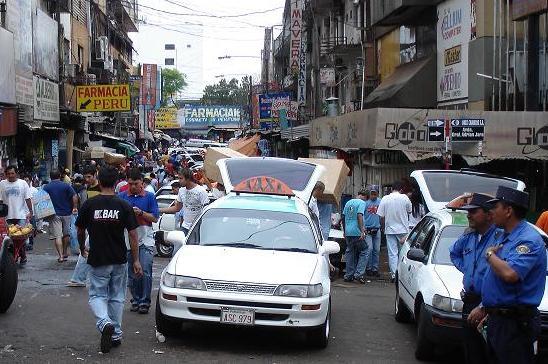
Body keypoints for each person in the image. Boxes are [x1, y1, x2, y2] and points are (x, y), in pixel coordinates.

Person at [467, 186, 546, 364]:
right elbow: (496, 281)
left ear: (509, 210)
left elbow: (510, 274)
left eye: (495, 207)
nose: (491, 211)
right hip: (499, 319)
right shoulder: (504, 236)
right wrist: (486, 308)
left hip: (515, 323)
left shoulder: (528, 240)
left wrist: (489, 255)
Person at [75, 165, 142, 353]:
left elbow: (79, 230)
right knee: (117, 298)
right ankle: (116, 333)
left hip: (98, 258)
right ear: (116, 182)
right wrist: (136, 260)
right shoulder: (123, 205)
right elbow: (133, 234)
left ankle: (105, 323)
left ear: (99, 180)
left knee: (97, 295)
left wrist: (82, 247)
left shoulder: (90, 204)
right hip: (119, 258)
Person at [449, 193, 501, 364]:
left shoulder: (499, 237)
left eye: (474, 211)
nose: (468, 215)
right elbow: (454, 252)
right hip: (469, 303)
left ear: (488, 215)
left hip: (488, 305)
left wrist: (483, 306)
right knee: (471, 352)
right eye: (468, 211)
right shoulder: (469, 236)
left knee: (489, 353)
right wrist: (469, 270)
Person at [119, 169, 159, 314]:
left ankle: (144, 301)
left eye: (136, 184)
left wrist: (141, 213)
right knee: (131, 273)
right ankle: (135, 299)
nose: (133, 187)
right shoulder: (122, 197)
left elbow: (154, 218)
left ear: (142, 183)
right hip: (128, 238)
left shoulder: (149, 197)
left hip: (145, 238)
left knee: (145, 270)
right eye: (130, 184)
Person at [377, 180, 412, 282]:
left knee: (392, 253)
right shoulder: (405, 198)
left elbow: (381, 216)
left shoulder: (385, 198)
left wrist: (383, 227)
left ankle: (394, 275)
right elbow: (409, 211)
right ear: (401, 189)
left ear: (392, 189)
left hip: (390, 229)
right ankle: (402, 275)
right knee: (403, 253)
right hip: (403, 230)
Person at [0, 166, 33, 265]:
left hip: (21, 215)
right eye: (8, 174)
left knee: (20, 238)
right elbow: (0, 200)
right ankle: (11, 257)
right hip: (7, 216)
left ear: (16, 174)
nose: (10, 175)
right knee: (8, 239)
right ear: (6, 174)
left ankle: (22, 255)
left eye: (12, 173)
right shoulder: (2, 184)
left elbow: (28, 199)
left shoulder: (23, 183)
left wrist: (30, 211)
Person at [160, 168, 209, 235]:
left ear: (188, 179)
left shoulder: (201, 191)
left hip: (197, 228)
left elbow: (206, 210)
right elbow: (177, 208)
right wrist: (159, 210)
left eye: (181, 178)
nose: (179, 181)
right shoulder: (181, 190)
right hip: (185, 227)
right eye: (178, 178)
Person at [43, 170, 78, 262]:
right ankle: (65, 252)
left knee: (57, 235)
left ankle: (61, 256)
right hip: (67, 213)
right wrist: (74, 207)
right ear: (60, 176)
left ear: (50, 177)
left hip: (54, 214)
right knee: (66, 234)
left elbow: (41, 200)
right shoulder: (66, 185)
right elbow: (74, 196)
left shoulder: (46, 187)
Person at [341, 190, 368, 283]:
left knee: (350, 252)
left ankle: (348, 275)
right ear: (365, 197)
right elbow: (359, 215)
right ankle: (359, 274)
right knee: (364, 250)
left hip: (348, 232)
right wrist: (361, 231)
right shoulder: (362, 203)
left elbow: (343, 217)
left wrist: (344, 231)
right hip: (356, 231)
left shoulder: (348, 202)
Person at [364, 187, 382, 278]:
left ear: (378, 194)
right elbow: (361, 216)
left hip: (377, 228)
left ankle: (375, 269)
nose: (373, 196)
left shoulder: (380, 202)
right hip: (367, 229)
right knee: (369, 249)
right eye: (372, 194)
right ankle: (368, 268)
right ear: (369, 194)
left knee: (377, 250)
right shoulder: (365, 203)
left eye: (375, 194)